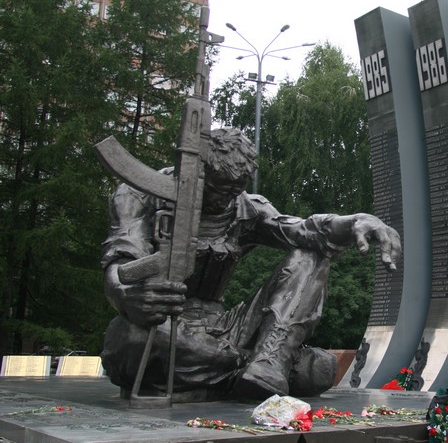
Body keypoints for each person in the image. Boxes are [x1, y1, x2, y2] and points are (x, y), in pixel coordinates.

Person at [100, 128, 401, 400]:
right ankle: (258, 366)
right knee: (131, 340)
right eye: (220, 190)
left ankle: (267, 362)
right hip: (162, 326)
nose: (227, 200)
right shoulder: (138, 195)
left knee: (311, 254)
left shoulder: (246, 207)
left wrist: (355, 222)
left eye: (236, 191)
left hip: (226, 327)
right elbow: (120, 260)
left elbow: (305, 230)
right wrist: (127, 295)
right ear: (196, 172)